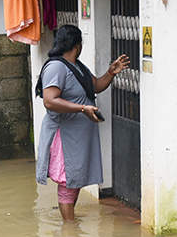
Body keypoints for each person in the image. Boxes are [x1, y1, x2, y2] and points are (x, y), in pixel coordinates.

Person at [35, 24, 129, 220]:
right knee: (68, 182)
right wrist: (82, 108)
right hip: (65, 136)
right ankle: (69, 229)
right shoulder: (56, 67)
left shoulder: (77, 66)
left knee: (74, 179)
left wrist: (110, 73)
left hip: (78, 137)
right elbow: (49, 100)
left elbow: (95, 86)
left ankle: (70, 226)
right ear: (77, 45)